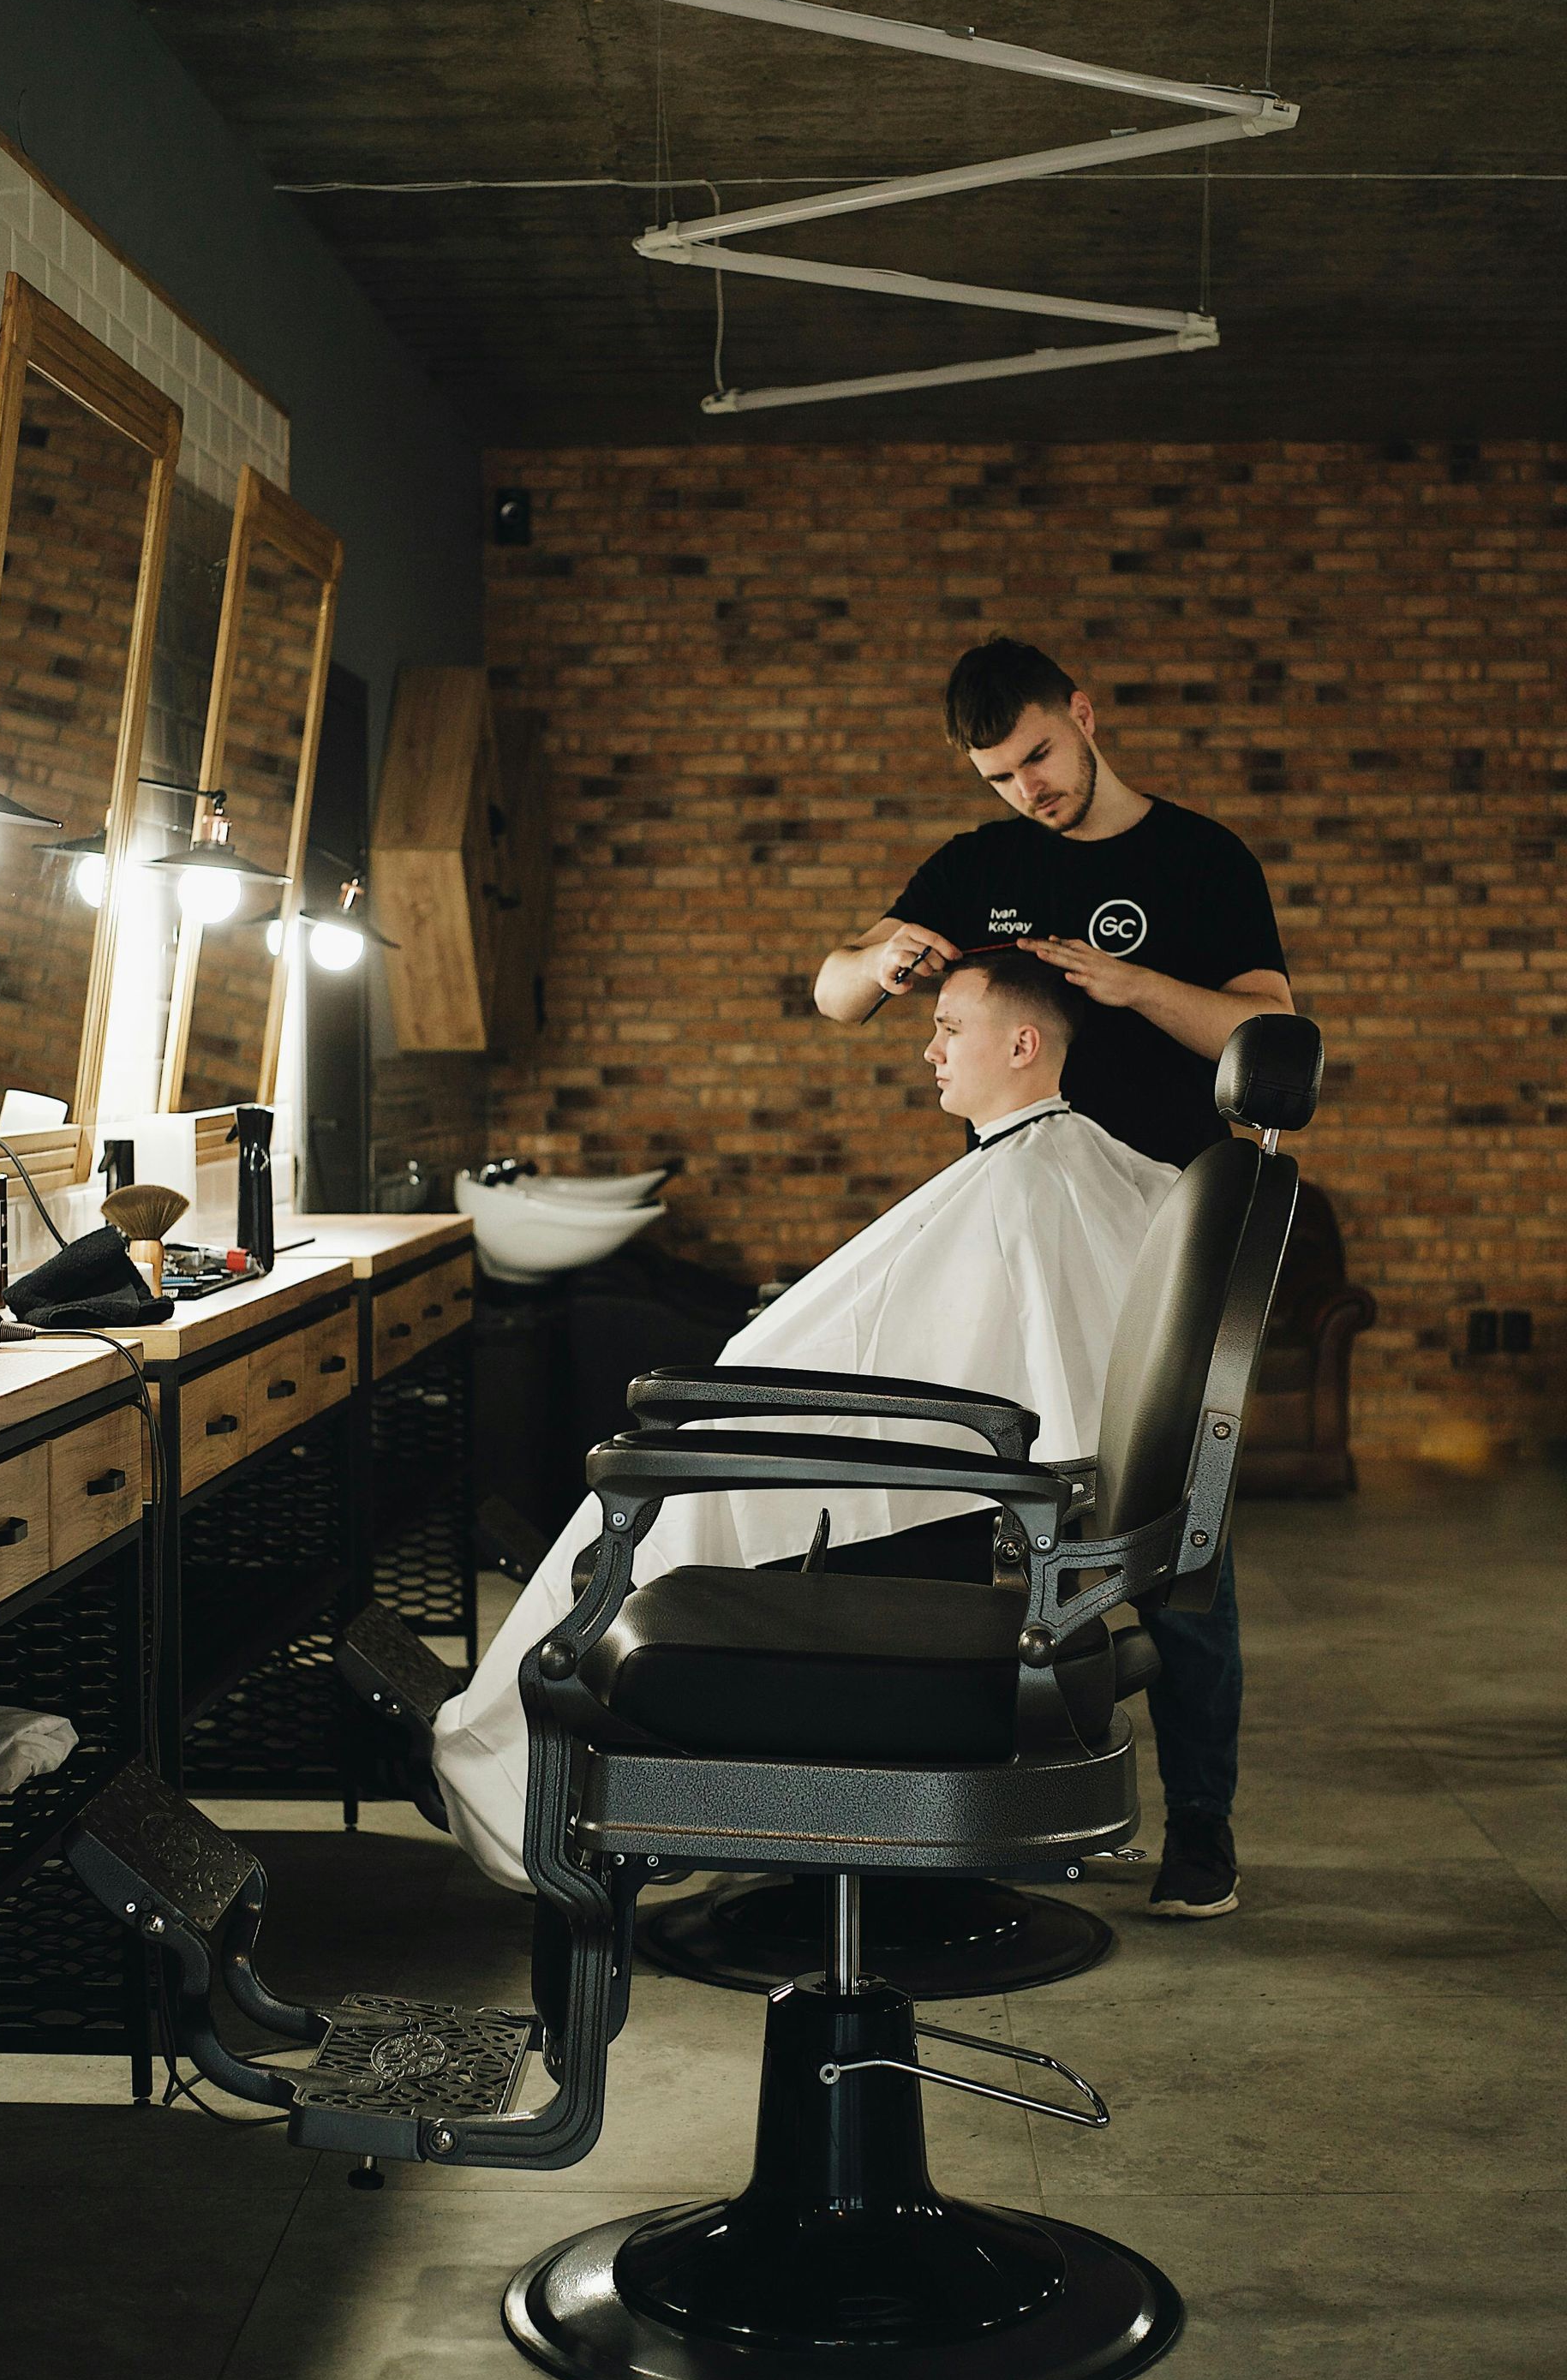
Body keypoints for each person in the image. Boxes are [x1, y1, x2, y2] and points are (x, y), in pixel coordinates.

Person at [435, 951, 1177, 1892]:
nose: (929, 1050)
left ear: (1023, 1043)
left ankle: (511, 1774)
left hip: (982, 1520)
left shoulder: (1025, 1188)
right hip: (1036, 1533)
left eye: (950, 1027)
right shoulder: (1097, 1169)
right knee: (690, 1457)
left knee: (660, 1493)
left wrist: (753, 1387)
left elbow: (998, 1382)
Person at [814, 637, 1295, 1918]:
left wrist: (1133, 984)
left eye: (1038, 756)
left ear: (1084, 715)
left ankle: (1200, 1826)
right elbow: (836, 988)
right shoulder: (982, 867)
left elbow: (1273, 1033)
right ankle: (1010, 1802)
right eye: (998, 774)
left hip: (1161, 1237)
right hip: (1022, 1233)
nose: (1028, 789)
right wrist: (882, 965)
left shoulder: (1200, 859)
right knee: (998, 1513)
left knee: (1171, 1535)